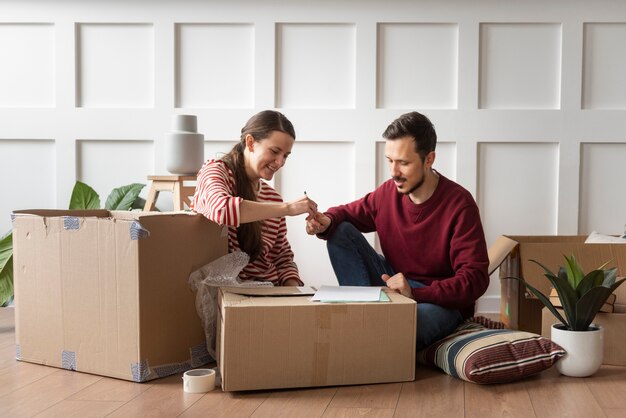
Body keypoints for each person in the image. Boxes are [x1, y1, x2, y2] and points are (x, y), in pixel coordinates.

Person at [306, 111, 489, 350]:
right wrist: (326, 221)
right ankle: (368, 316)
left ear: (429, 159)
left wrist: (414, 293)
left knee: (412, 324)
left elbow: (475, 280)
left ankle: (372, 329)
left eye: (403, 162)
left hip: (437, 300)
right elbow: (346, 213)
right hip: (392, 286)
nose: (393, 172)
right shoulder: (387, 193)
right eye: (390, 160)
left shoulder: (459, 204)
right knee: (339, 232)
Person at [192, 110, 317, 286]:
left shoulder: (273, 199)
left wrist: (294, 293)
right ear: (250, 142)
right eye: (275, 151)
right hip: (230, 297)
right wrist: (288, 208)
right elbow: (221, 209)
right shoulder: (216, 172)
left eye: (286, 156)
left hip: (269, 294)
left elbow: (282, 257)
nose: (280, 162)